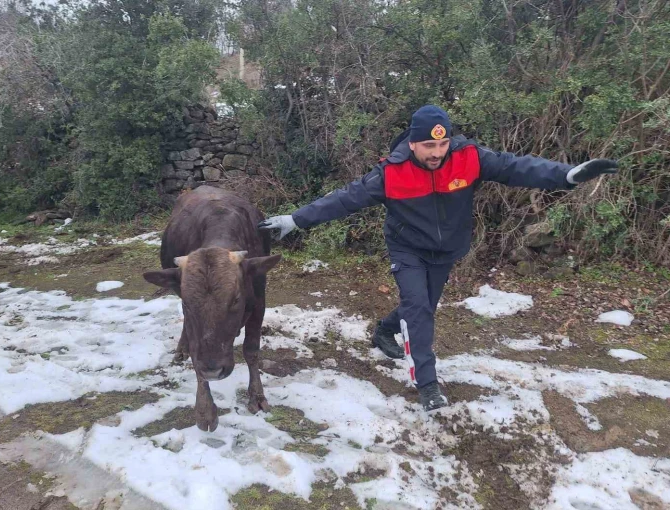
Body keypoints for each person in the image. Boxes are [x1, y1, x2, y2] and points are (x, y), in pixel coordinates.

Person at [257, 105, 618, 411]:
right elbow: (343, 199)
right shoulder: (391, 173)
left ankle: (384, 330)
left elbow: (517, 167)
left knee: (423, 306)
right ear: (412, 143)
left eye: (442, 144)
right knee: (418, 309)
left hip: (446, 250)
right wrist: (295, 220)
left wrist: (567, 175)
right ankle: (427, 385)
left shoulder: (469, 158)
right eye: (429, 145)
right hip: (408, 248)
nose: (437, 152)